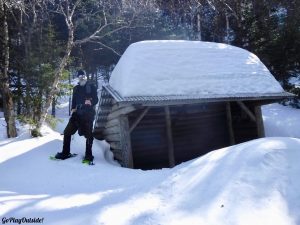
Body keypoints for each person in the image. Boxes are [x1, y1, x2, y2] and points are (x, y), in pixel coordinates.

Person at [55, 69, 99, 162]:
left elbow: (96, 100)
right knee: (67, 132)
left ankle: (88, 156)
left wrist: (90, 101)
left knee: (89, 135)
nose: (81, 78)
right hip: (76, 115)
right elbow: (74, 101)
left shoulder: (91, 87)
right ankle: (65, 153)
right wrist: (72, 108)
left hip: (88, 115)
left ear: (85, 76)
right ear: (78, 78)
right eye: (80, 76)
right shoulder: (76, 88)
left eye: (83, 76)